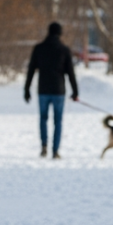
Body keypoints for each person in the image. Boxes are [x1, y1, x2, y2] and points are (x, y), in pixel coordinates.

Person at [25, 22, 79, 159]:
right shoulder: (64, 50)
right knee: (58, 121)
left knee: (43, 119)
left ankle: (44, 145)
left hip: (43, 90)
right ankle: (55, 150)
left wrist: (26, 89)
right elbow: (71, 73)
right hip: (59, 91)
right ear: (60, 33)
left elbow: (31, 70)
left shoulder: (39, 48)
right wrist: (75, 91)